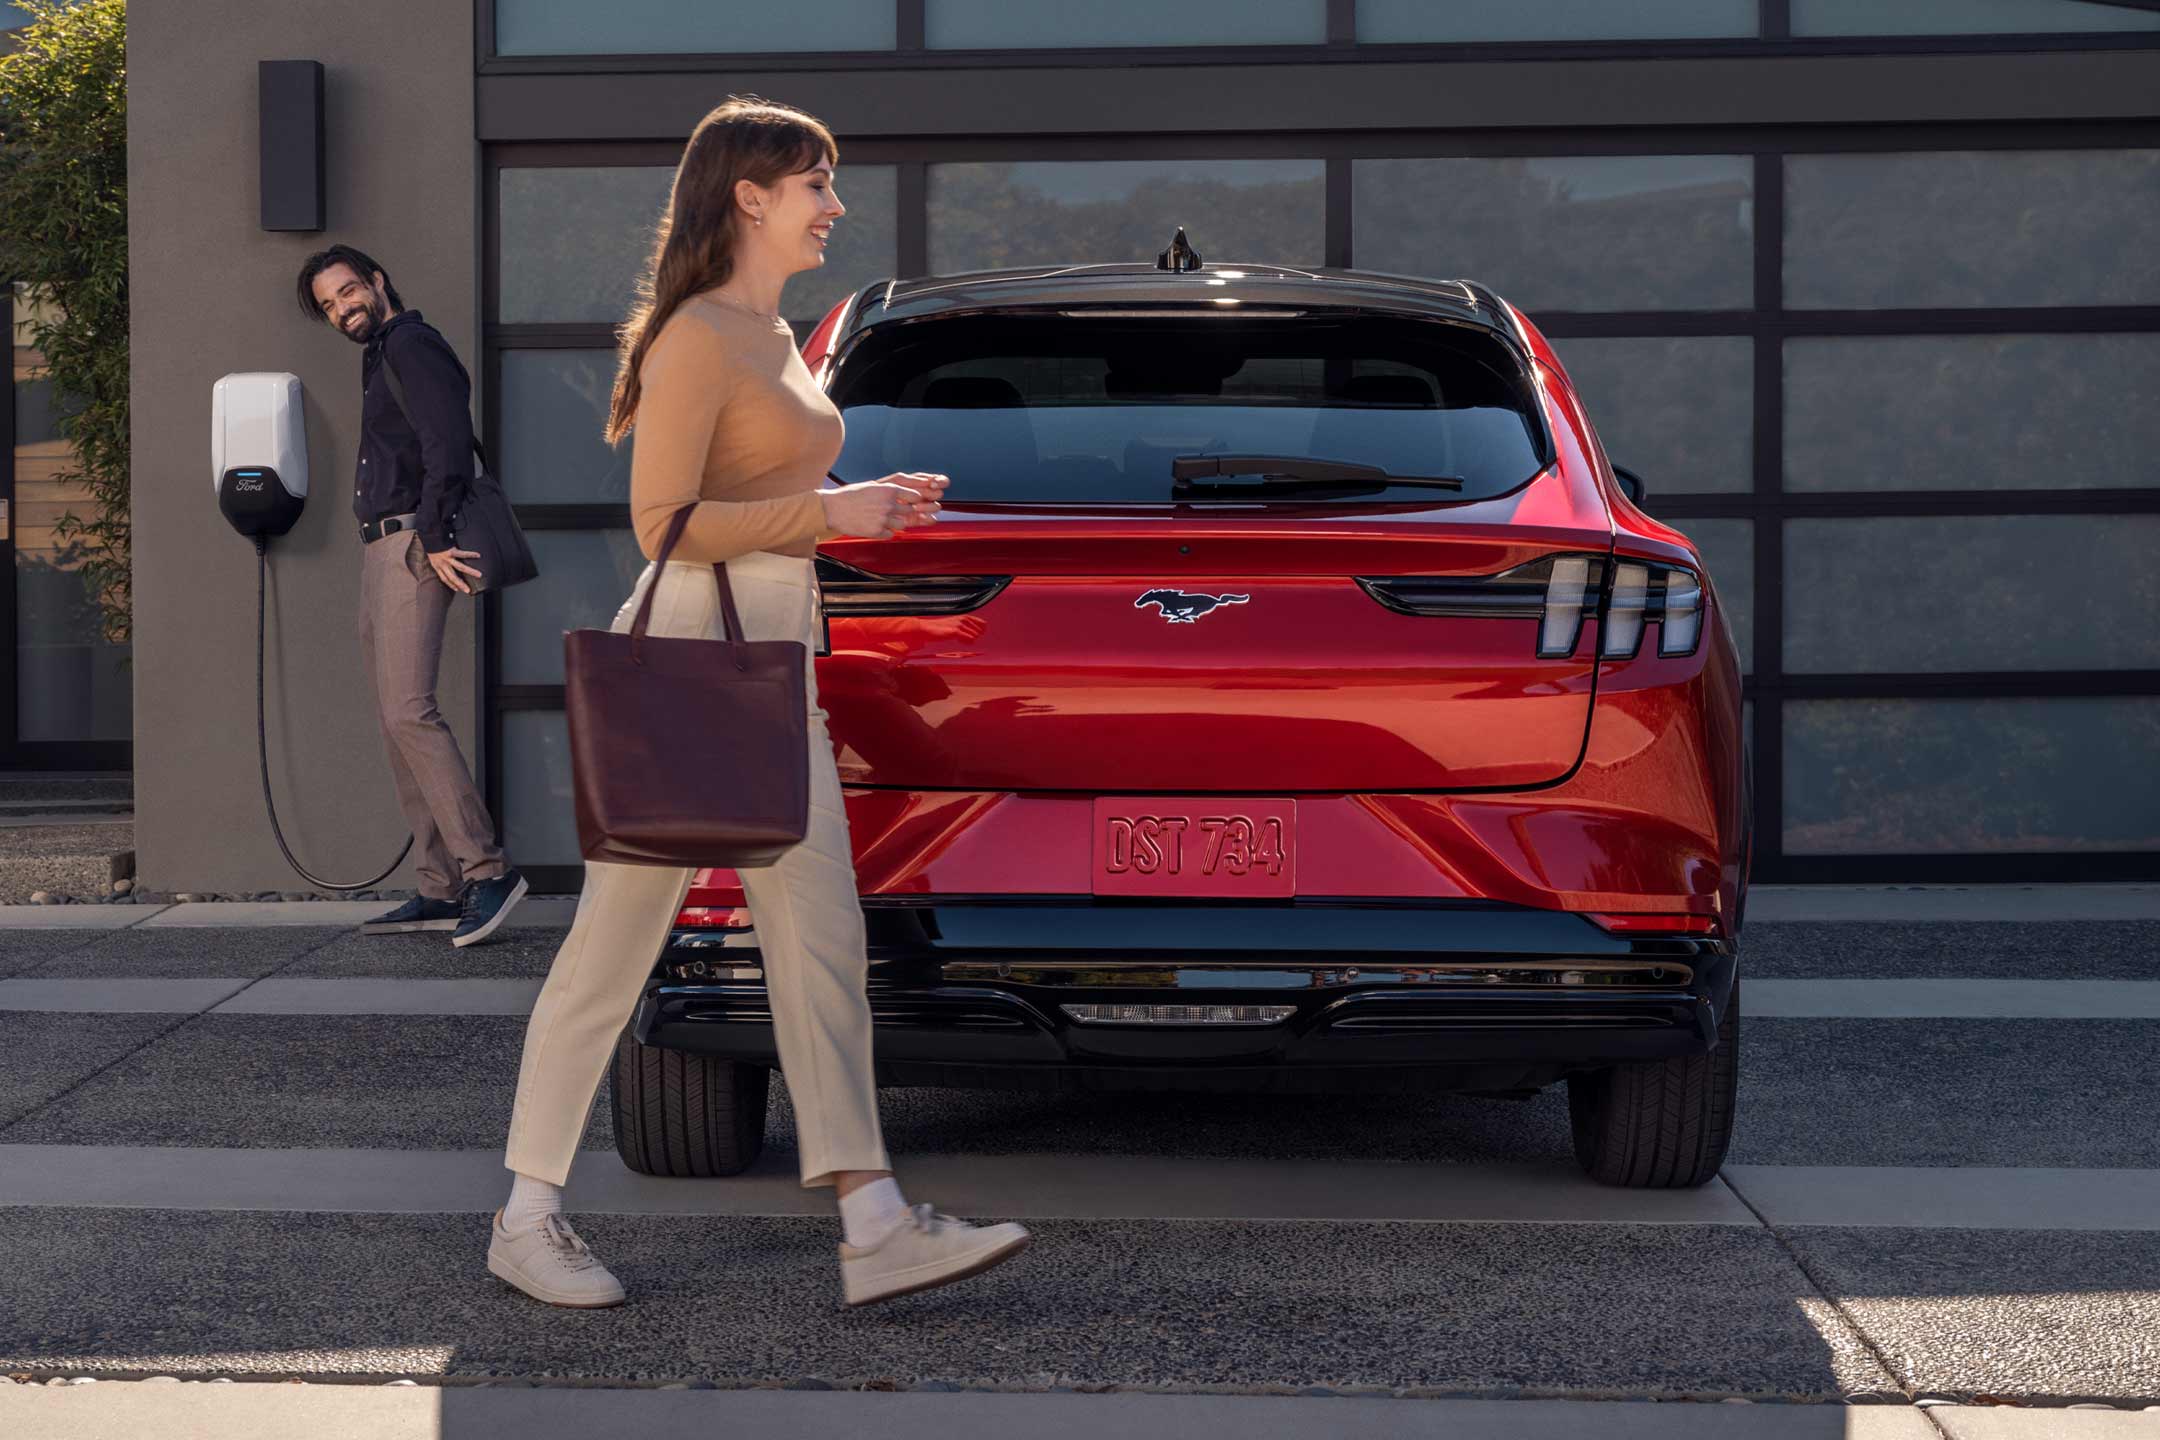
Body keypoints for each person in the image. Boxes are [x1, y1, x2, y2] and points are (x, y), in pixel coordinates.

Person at [485, 96, 1030, 1309]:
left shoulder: (771, 334)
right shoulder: (698, 337)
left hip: (773, 662)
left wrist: (868, 499)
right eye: (815, 185)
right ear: (749, 196)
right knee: (612, 952)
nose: (834, 207)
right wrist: (834, 513)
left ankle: (874, 1219)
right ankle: (525, 1217)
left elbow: (766, 485)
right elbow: (663, 523)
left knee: (823, 943)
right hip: (694, 661)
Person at [295, 244, 529, 947]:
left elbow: (448, 443)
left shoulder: (412, 342)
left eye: (346, 293)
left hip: (409, 545)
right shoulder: (381, 351)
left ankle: (488, 871)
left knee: (410, 712)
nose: (343, 310)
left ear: (377, 280)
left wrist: (428, 533)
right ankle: (439, 884)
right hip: (381, 548)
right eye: (330, 306)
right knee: (393, 720)